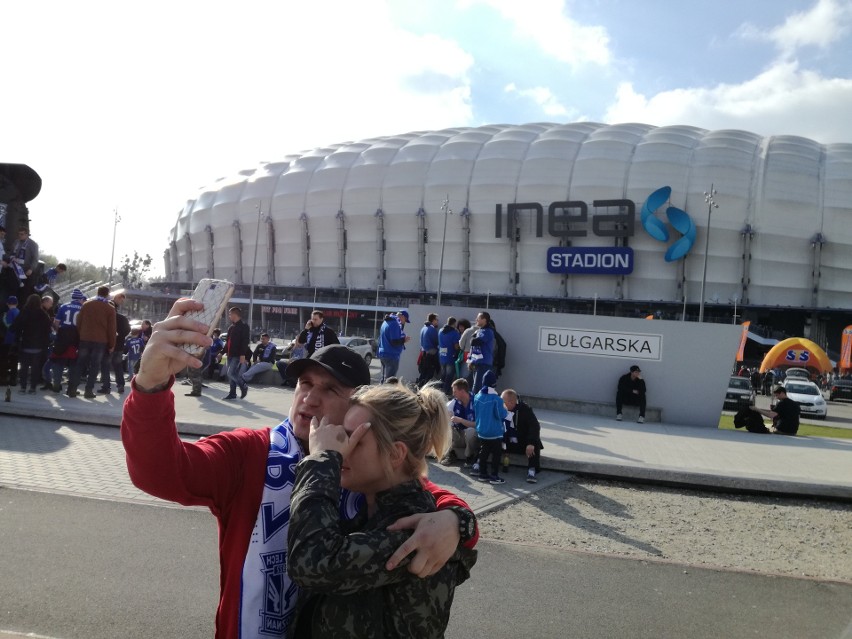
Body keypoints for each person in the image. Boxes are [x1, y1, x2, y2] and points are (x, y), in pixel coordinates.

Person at [121, 299, 477, 639]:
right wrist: (150, 385)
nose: (309, 397)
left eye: (330, 389)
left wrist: (456, 520)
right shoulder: (251, 451)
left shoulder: (366, 468)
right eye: (304, 383)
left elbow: (423, 497)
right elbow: (160, 473)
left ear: (357, 409)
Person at [287, 383, 477, 637]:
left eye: (355, 439)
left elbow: (311, 562)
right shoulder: (378, 512)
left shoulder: (413, 530)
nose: (343, 449)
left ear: (395, 454)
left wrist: (321, 461)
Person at [67, 285, 115, 399]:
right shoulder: (109, 308)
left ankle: (72, 389)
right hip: (100, 341)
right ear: (107, 294)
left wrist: (82, 334)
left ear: (98, 292)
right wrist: (111, 344)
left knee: (80, 364)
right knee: (94, 366)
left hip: (85, 339)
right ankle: (88, 390)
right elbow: (112, 329)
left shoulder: (86, 305)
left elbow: (79, 322)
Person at [11, 293, 52, 393]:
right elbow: (48, 330)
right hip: (38, 346)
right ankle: (33, 387)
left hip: (25, 344)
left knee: (24, 367)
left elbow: (14, 327)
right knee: (35, 367)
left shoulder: (24, 312)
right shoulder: (43, 314)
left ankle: (23, 387)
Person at [472, 369, 508, 484]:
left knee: (484, 451)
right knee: (496, 454)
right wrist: (505, 410)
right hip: (494, 432)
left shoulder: (477, 396)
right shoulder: (496, 399)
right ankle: (494, 475)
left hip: (481, 430)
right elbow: (500, 415)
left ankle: (482, 473)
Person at [501, 389, 544, 483]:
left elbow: (535, 426)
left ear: (511, 402)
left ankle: (531, 471)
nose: (501, 403)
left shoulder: (525, 409)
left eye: (503, 401)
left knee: (535, 442)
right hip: (506, 441)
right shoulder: (500, 409)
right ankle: (479, 463)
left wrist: (530, 443)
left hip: (521, 441)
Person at [440, 378, 478, 467]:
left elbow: (478, 425)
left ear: (462, 391)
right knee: (445, 426)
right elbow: (442, 415)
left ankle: (470, 456)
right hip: (460, 435)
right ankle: (451, 453)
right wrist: (447, 417)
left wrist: (461, 420)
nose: (453, 394)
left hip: (473, 438)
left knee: (470, 431)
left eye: (455, 391)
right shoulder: (454, 402)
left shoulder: (477, 401)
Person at [222, 306, 250, 400]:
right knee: (231, 374)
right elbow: (228, 342)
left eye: (230, 314)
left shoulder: (244, 327)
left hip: (237, 355)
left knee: (230, 373)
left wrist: (242, 354)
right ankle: (232, 393)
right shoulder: (231, 328)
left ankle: (243, 385)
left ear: (234, 314)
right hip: (230, 354)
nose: (229, 316)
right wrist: (221, 352)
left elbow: (245, 341)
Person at [378, 310, 410, 383]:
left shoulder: (386, 322)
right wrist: (404, 340)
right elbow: (394, 342)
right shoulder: (395, 324)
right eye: (405, 320)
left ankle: (380, 392)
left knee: (384, 379)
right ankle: (386, 393)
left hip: (383, 353)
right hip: (391, 355)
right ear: (402, 317)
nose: (404, 323)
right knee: (390, 381)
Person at [468, 311, 494, 394]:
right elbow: (473, 346)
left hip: (484, 363)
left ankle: (476, 404)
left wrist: (473, 338)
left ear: (484, 320)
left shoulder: (488, 331)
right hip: (477, 362)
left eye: (478, 318)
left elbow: (475, 342)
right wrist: (471, 361)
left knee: (478, 386)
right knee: (475, 385)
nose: (476, 320)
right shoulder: (479, 331)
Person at [416, 312, 440, 387]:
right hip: (431, 353)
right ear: (433, 320)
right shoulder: (432, 329)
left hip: (423, 353)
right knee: (430, 372)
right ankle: (424, 387)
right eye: (437, 320)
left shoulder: (423, 328)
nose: (438, 321)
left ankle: (419, 385)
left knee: (423, 372)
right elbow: (436, 342)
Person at [438, 316, 459, 394]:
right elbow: (456, 346)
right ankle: (445, 392)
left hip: (442, 355)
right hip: (450, 356)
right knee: (449, 376)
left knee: (442, 375)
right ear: (454, 323)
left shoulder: (440, 331)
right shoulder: (454, 333)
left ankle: (439, 390)